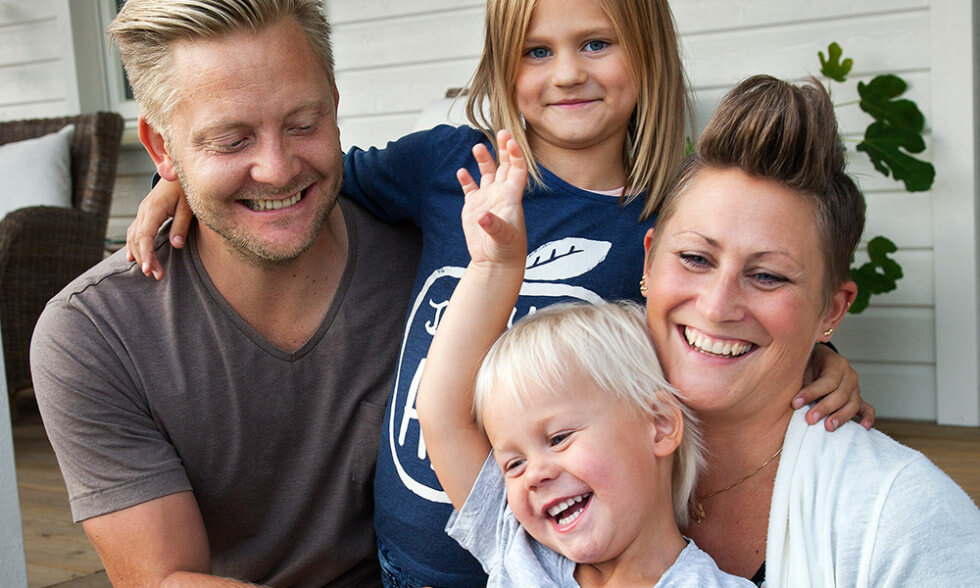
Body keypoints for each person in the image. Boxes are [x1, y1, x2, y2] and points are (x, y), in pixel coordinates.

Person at [124, 1, 870, 585]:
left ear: (649, 53)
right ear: (500, 64)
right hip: (409, 553)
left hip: (557, 556)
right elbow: (301, 177)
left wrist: (817, 360)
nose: (567, 74)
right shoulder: (449, 162)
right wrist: (182, 178)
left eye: (596, 44)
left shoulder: (665, 223)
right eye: (536, 51)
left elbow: (712, 334)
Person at [29, 1, 420, 585]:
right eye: (232, 141)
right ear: (162, 149)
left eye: (302, 124)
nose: (277, 169)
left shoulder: (437, 255)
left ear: (335, 107)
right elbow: (168, 579)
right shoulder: (96, 334)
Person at [641, 74, 980, 585]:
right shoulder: (567, 460)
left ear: (832, 311)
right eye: (695, 258)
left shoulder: (905, 519)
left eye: (768, 276)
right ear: (648, 263)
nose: (716, 306)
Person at [414, 130, 750, 586]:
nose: (533, 475)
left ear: (658, 424)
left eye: (558, 438)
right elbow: (441, 414)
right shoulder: (517, 546)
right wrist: (494, 266)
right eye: (512, 464)